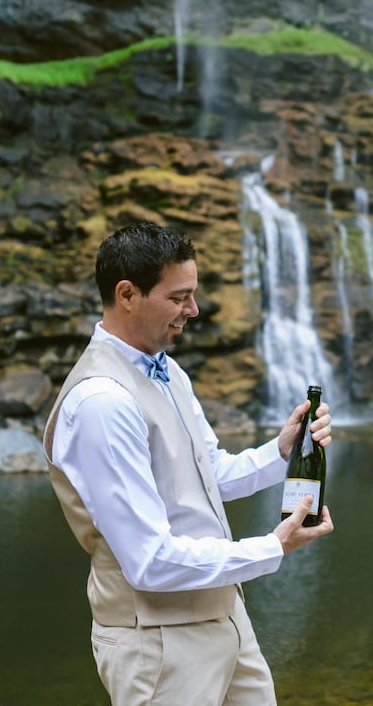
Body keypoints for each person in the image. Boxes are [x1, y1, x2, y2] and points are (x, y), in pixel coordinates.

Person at [42, 222, 335, 706]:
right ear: (127, 294)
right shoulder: (101, 402)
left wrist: (280, 452)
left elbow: (208, 476)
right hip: (159, 643)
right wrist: (271, 547)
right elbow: (149, 562)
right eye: (179, 297)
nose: (193, 311)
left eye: (192, 295)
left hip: (225, 617)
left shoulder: (168, 370)